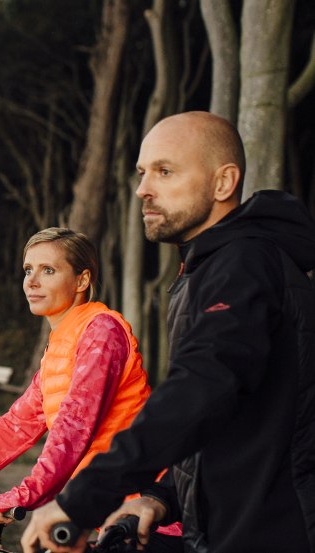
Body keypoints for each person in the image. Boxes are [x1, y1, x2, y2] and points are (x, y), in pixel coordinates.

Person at [24, 111, 315, 553]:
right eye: (142, 173)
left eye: (165, 171)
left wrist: (85, 498)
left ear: (223, 183)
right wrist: (159, 500)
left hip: (271, 533)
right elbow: (229, 422)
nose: (143, 188)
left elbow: (204, 386)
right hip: (220, 529)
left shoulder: (243, 263)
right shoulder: (213, 267)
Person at [0, 228, 181, 550]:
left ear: (81, 281)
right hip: (106, 511)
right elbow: (15, 426)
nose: (32, 281)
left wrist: (22, 494)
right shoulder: (60, 346)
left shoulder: (101, 331)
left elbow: (73, 427)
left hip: (148, 513)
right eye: (28, 270)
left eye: (48, 270)